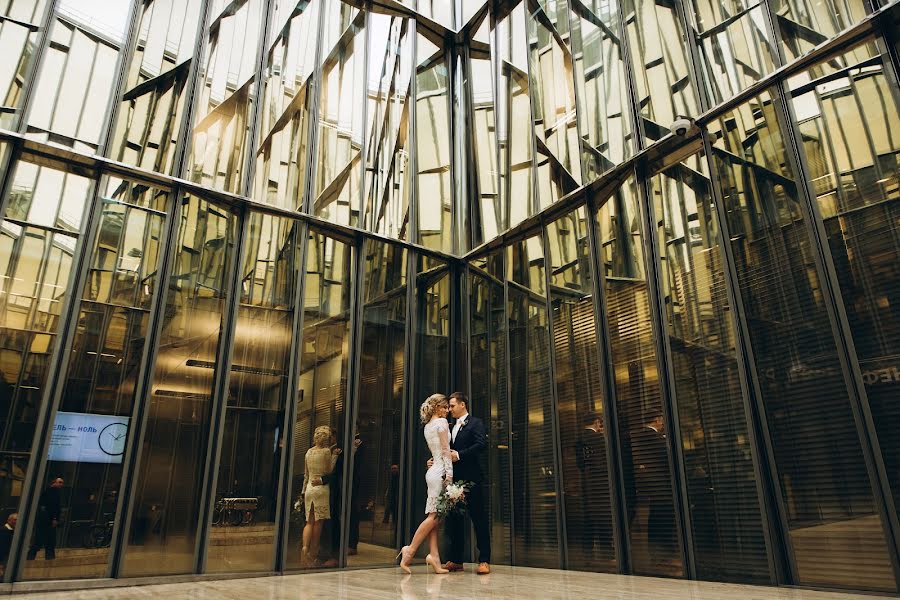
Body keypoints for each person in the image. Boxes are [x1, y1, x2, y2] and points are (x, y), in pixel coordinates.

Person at [397, 394, 453, 574]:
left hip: (432, 471)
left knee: (435, 517)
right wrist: (449, 475)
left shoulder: (428, 426)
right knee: (434, 518)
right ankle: (410, 550)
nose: (447, 411)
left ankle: (434, 557)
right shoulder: (442, 424)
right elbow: (445, 450)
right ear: (436, 407)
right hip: (440, 472)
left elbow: (435, 451)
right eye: (444, 407)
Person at [443, 392, 491, 575]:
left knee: (478, 519)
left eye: (452, 406)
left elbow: (481, 445)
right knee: (454, 520)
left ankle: (484, 560)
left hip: (472, 479)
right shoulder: (448, 426)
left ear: (463, 405)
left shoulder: (476, 423)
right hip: (454, 481)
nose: (450, 409)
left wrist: (459, 455)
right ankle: (456, 560)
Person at [301, 426, 340, 564]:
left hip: (310, 489)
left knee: (309, 521)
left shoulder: (308, 452)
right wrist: (334, 456)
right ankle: (313, 551)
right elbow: (329, 470)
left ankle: (304, 547)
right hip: (321, 490)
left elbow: (306, 474)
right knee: (319, 522)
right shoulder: (326, 452)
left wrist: (303, 491)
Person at [576, 412, 611, 559]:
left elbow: (581, 463)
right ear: (597, 422)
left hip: (586, 481)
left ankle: (587, 552)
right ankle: (606, 551)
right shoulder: (598, 438)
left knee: (588, 518)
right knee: (603, 517)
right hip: (600, 483)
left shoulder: (579, 439)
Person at [27, 476, 64, 560]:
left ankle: (32, 556)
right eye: (60, 482)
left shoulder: (49, 491)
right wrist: (54, 518)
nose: (61, 484)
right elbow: (53, 506)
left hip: (45, 520)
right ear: (54, 482)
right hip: (48, 520)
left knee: (42, 539)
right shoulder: (52, 492)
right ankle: (48, 557)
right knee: (48, 540)